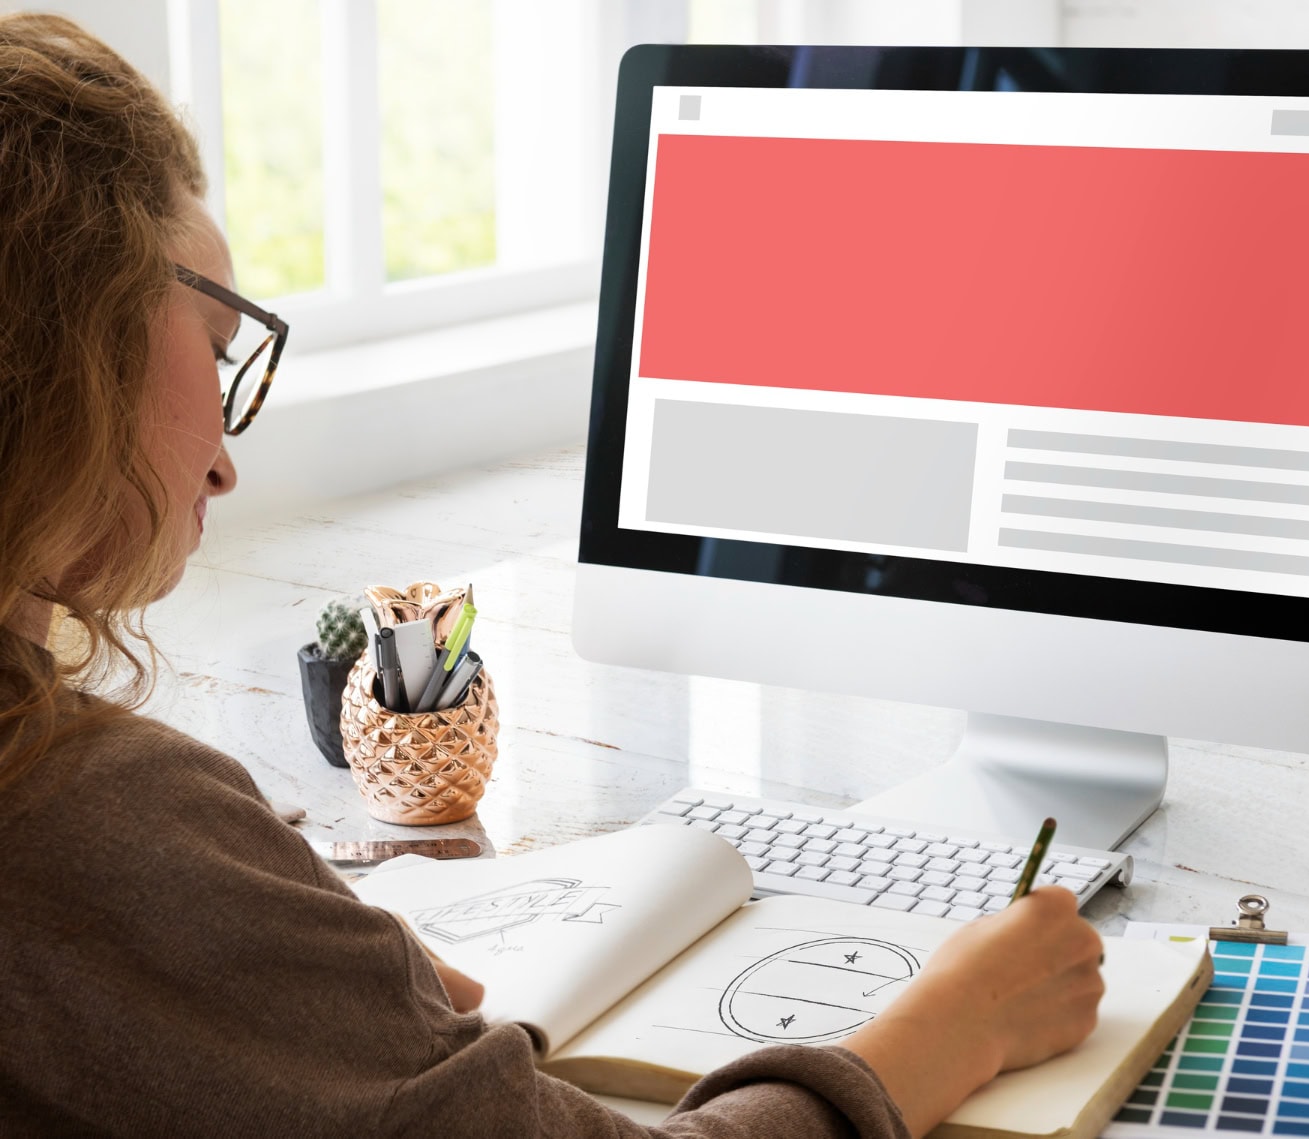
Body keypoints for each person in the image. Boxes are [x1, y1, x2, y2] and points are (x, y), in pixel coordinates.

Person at [0, 13, 1105, 1137]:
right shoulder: (84, 813)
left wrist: (298, 982)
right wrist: (951, 1030)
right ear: (66, 341)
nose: (225, 464)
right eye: (218, 345)